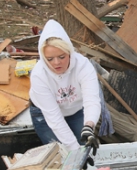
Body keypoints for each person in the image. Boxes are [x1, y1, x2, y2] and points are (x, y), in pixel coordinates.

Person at [29, 19, 111, 152]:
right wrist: (74, 152)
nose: (56, 63)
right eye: (50, 59)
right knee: (60, 152)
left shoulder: (83, 66)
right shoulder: (39, 75)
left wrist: (89, 126)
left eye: (61, 57)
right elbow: (54, 119)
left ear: (69, 52)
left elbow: (92, 100)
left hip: (76, 110)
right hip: (46, 115)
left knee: (85, 146)